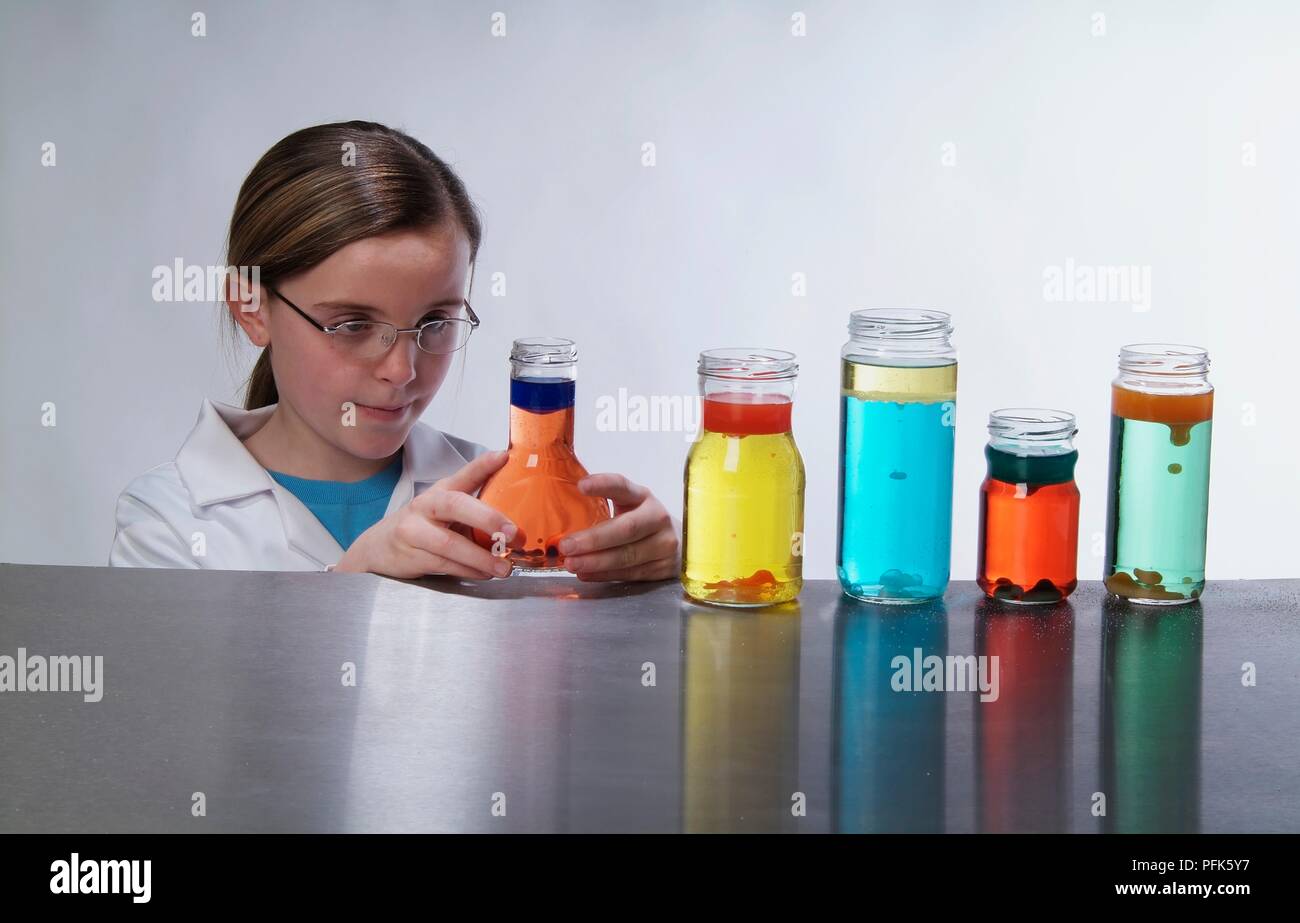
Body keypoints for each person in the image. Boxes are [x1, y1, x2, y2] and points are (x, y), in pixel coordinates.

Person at [109, 121, 678, 581]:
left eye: (435, 321)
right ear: (252, 308)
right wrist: (354, 579)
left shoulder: (501, 503)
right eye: (353, 324)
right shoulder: (169, 522)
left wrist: (653, 583)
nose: (402, 371)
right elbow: (178, 718)